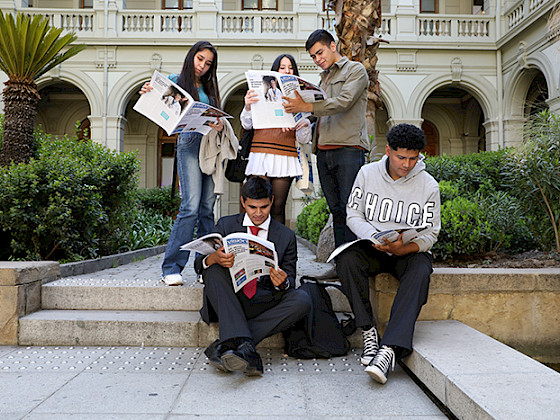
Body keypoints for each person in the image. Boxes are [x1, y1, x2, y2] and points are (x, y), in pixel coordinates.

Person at [336, 123, 441, 384]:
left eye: (413, 158)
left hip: (406, 251)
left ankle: (390, 349)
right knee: (346, 259)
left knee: (420, 270)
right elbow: (353, 214)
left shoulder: (429, 185)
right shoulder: (367, 173)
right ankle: (368, 330)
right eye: (401, 157)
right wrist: (372, 237)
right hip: (374, 246)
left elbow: (431, 234)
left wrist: (403, 247)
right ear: (388, 151)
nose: (407, 165)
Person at [195, 177, 312, 375]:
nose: (258, 213)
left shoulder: (285, 235)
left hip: (264, 299)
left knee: (302, 299)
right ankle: (247, 351)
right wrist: (214, 258)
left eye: (264, 207)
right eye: (252, 207)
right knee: (213, 270)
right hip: (230, 299)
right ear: (243, 202)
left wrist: (282, 282)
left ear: (272, 201)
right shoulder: (225, 225)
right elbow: (199, 265)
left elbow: (290, 278)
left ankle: (229, 344)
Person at [140, 41, 224, 286]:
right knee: (190, 206)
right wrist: (148, 91)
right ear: (191, 57)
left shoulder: (210, 88)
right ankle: (171, 267)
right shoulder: (176, 80)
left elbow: (216, 120)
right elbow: (157, 100)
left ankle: (206, 268)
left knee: (207, 209)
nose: (203, 66)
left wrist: (218, 124)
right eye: (200, 59)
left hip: (209, 147)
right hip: (188, 144)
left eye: (208, 63)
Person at [282, 29, 369, 247]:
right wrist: (308, 118)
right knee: (336, 212)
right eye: (313, 56)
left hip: (349, 149)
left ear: (333, 46)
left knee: (351, 211)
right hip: (323, 150)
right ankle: (340, 266)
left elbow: (344, 101)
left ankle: (353, 271)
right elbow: (323, 109)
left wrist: (308, 106)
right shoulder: (324, 78)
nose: (317, 59)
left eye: (320, 53)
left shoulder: (355, 70)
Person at [241, 54, 312, 224]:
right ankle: (254, 247)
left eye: (290, 67)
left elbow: (304, 139)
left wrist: (303, 124)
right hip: (260, 153)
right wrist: (248, 106)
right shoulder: (259, 92)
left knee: (278, 207)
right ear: (275, 71)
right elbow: (246, 124)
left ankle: (278, 249)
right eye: (282, 67)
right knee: (256, 203)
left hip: (285, 155)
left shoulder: (300, 98)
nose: (287, 70)